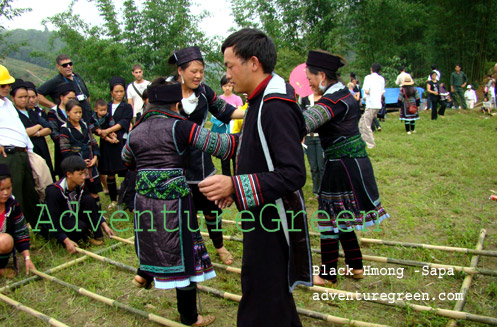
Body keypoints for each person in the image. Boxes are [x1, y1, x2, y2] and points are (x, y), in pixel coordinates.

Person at [195, 28, 312, 327]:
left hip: (274, 220)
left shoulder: (275, 106)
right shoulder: (257, 101)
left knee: (263, 296)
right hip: (260, 213)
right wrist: (234, 191)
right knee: (269, 296)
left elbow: (294, 173)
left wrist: (235, 183)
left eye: (230, 65)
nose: (228, 74)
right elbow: (256, 150)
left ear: (254, 63)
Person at [122, 79, 216, 326]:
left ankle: (144, 275)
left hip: (144, 201)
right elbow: (220, 145)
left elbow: (127, 161)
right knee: (183, 258)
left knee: (151, 240)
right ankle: (190, 318)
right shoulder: (182, 127)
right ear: (176, 104)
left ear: (149, 102)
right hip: (175, 202)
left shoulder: (135, 131)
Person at [302, 50, 389, 287]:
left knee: (330, 216)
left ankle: (328, 274)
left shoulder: (334, 101)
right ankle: (355, 265)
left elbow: (304, 122)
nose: (307, 82)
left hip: (342, 165)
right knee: (341, 217)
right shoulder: (341, 95)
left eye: (309, 77)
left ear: (321, 76)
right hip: (348, 163)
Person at [167, 46, 245, 265]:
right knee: (182, 209)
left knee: (211, 208)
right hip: (175, 160)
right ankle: (190, 247)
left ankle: (219, 245)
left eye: (201, 70)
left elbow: (225, 110)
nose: (198, 75)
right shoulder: (167, 91)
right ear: (180, 71)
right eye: (193, 71)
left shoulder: (204, 91)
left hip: (201, 159)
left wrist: (253, 110)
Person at [42, 156, 114, 253]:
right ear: (69, 174)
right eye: (80, 174)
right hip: (61, 221)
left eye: (84, 173)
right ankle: (73, 239)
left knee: (89, 199)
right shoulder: (54, 191)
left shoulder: (80, 185)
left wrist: (104, 224)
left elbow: (91, 206)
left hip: (74, 214)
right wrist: (66, 240)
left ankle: (95, 235)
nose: (84, 177)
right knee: (80, 227)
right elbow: (52, 220)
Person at [0, 65, 40, 226]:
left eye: (8, 84)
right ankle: (13, 228)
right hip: (8, 154)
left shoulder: (8, 104)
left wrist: (29, 149)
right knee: (13, 192)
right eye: (3, 85)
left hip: (22, 152)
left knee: (30, 191)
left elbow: (19, 129)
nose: (7, 88)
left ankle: (36, 226)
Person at [59, 100, 102, 207]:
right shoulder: (65, 130)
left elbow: (93, 142)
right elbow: (65, 151)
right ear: (68, 112)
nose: (78, 115)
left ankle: (98, 214)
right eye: (75, 112)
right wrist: (80, 162)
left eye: (80, 112)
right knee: (81, 191)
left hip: (90, 163)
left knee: (94, 191)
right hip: (77, 165)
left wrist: (95, 158)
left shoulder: (85, 125)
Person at [98, 77, 133, 210]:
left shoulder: (127, 107)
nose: (119, 94)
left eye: (121, 91)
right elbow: (98, 122)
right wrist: (104, 133)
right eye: (116, 91)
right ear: (111, 92)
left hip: (121, 140)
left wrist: (107, 131)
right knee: (110, 171)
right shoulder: (105, 106)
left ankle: (125, 198)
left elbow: (124, 122)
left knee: (126, 170)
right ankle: (113, 199)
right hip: (107, 143)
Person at [12, 80, 55, 179]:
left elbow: (48, 128)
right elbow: (22, 132)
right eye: (20, 97)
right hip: (28, 150)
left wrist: (36, 133)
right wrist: (38, 126)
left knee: (47, 175)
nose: (24, 100)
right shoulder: (13, 114)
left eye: (25, 97)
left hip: (42, 148)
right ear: (13, 98)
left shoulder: (32, 112)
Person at [0, 164, 36, 278]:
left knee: (6, 241)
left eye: (8, 188)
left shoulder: (13, 205)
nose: (5, 193)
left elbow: (21, 231)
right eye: (1, 189)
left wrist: (27, 258)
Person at [37, 54, 92, 122]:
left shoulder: (77, 77)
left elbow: (87, 95)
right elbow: (37, 95)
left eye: (70, 64)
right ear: (58, 67)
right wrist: (54, 107)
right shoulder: (55, 81)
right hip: (69, 120)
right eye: (65, 65)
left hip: (86, 117)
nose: (68, 66)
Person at [212, 75, 243, 176]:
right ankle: (226, 181)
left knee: (235, 159)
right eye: (225, 86)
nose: (227, 88)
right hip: (222, 134)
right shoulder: (219, 99)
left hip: (234, 133)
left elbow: (240, 114)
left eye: (230, 85)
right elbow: (214, 116)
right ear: (221, 87)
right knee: (224, 159)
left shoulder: (237, 99)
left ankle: (235, 182)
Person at [47, 83, 77, 178]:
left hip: (77, 147)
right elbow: (53, 131)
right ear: (61, 97)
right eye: (69, 98)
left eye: (73, 98)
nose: (71, 101)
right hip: (62, 149)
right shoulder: (53, 113)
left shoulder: (76, 110)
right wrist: (65, 141)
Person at [299, 88, 324, 198]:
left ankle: (323, 190)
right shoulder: (305, 99)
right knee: (313, 167)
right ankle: (316, 190)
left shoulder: (324, 99)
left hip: (320, 137)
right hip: (309, 137)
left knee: (321, 165)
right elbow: (301, 118)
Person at [359, 62, 385, 149]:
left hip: (371, 104)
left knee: (366, 124)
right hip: (378, 104)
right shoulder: (381, 79)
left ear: (371, 69)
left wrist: (367, 96)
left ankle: (370, 144)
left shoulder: (368, 78)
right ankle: (361, 140)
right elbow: (382, 92)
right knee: (362, 122)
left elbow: (366, 90)